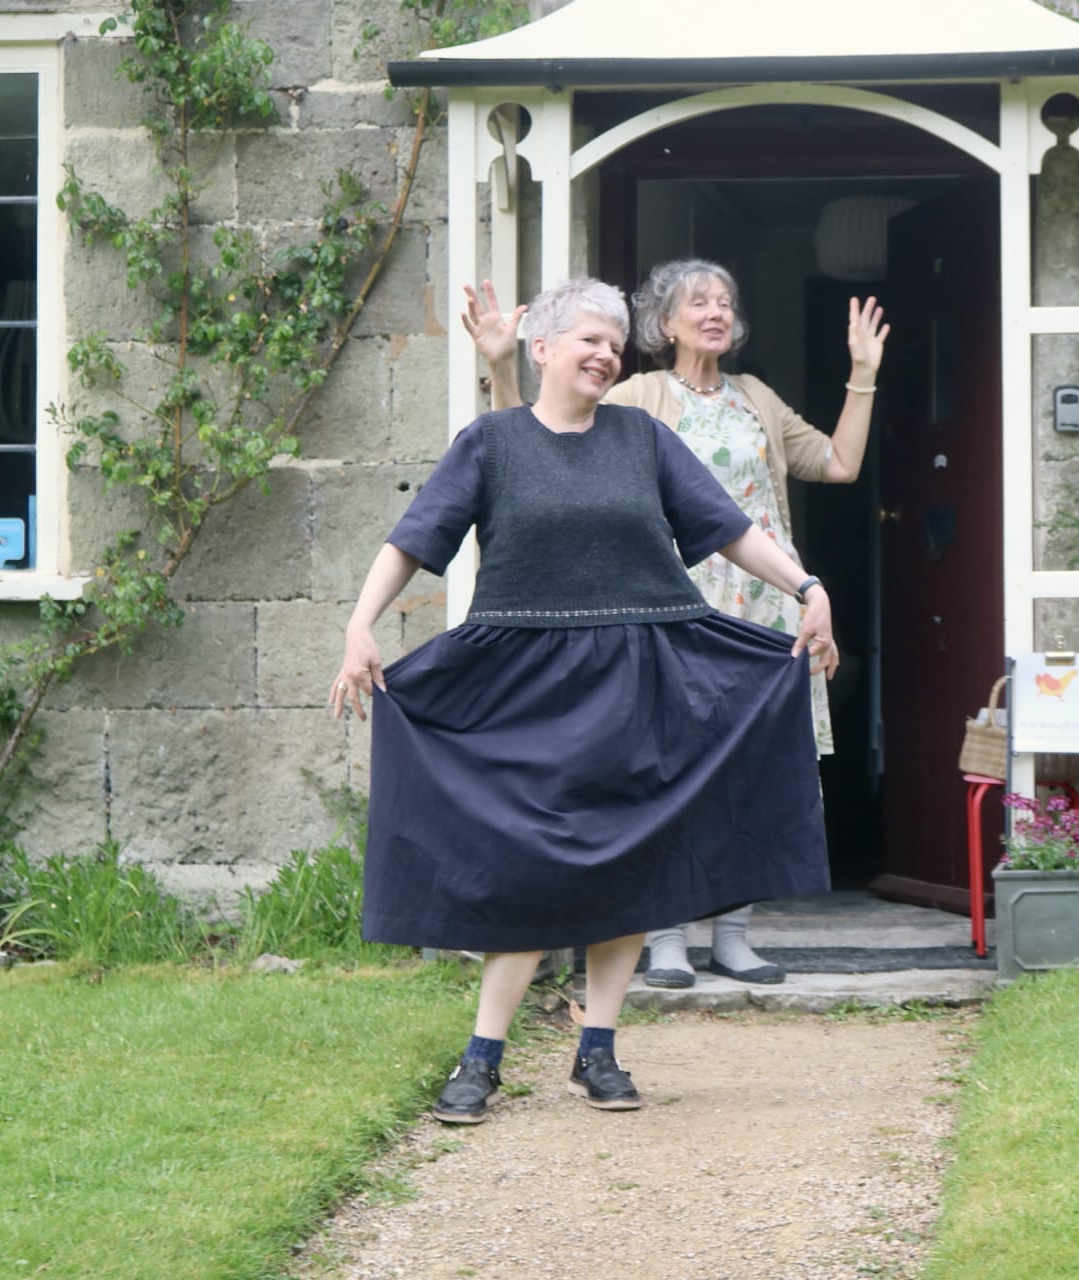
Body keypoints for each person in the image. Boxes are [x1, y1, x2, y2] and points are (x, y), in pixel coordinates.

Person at [330, 277, 837, 1122]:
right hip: (523, 689)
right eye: (590, 341)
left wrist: (806, 586)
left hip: (639, 679)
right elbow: (414, 541)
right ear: (543, 349)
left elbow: (729, 528)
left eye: (615, 345)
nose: (607, 355)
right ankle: (482, 1058)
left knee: (632, 860)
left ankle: (598, 1050)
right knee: (524, 868)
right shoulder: (491, 443)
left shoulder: (643, 438)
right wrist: (359, 625)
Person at [462, 260, 887, 989]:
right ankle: (663, 937)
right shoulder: (637, 395)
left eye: (726, 301)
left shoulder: (756, 397)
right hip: (670, 595)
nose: (716, 312)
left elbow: (839, 463)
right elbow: (538, 443)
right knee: (668, 766)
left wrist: (863, 374)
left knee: (749, 765)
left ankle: (734, 936)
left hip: (763, 600)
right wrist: (502, 367)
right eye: (699, 302)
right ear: (664, 323)